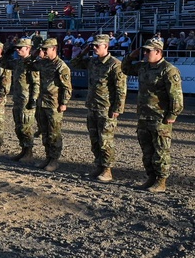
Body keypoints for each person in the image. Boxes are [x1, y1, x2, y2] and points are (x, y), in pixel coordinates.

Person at [122, 39, 185, 193]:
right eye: (144, 50)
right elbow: (125, 69)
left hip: (160, 117)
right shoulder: (143, 67)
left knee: (161, 150)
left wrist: (173, 113)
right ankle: (151, 177)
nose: (145, 53)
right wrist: (131, 55)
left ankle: (161, 181)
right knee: (147, 150)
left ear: (158, 51)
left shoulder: (168, 70)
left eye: (148, 51)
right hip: (144, 116)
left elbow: (176, 96)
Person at [70, 34, 127, 182]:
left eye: (97, 46)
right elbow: (75, 63)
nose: (94, 48)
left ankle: (107, 170)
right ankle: (98, 166)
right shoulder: (93, 62)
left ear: (106, 47)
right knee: (94, 139)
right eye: (93, 45)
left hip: (106, 108)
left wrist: (117, 109)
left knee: (105, 140)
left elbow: (121, 89)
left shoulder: (115, 64)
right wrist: (84, 50)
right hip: (92, 106)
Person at [30, 38, 72, 172]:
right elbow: (28, 65)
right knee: (44, 131)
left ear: (54, 49)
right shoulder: (43, 63)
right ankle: (47, 157)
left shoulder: (61, 66)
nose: (43, 51)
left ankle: (54, 160)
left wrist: (64, 103)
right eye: (42, 49)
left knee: (54, 133)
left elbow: (67, 87)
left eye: (45, 49)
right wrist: (35, 54)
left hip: (54, 104)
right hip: (42, 102)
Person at [1, 38, 40, 162]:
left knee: (26, 127)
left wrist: (33, 100)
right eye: (16, 48)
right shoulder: (18, 62)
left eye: (20, 48)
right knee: (18, 127)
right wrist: (8, 50)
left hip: (26, 100)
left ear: (28, 49)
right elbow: (3, 63)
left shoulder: (32, 64)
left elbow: (36, 84)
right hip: (18, 99)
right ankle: (23, 150)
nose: (17, 50)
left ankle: (28, 153)